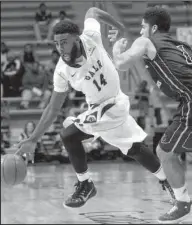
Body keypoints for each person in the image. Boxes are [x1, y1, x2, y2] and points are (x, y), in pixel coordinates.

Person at [15, 7, 175, 210]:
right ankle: (166, 181)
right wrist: (33, 139)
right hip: (99, 110)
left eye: (64, 41)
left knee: (69, 135)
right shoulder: (62, 72)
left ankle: (85, 184)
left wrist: (119, 27)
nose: (60, 47)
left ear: (76, 38)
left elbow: (92, 11)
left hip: (114, 102)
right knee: (135, 149)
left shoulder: (90, 36)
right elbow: (53, 107)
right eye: (56, 43)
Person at [109, 6, 192, 224]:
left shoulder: (147, 42)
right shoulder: (182, 46)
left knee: (164, 152)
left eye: (142, 27)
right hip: (188, 100)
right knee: (168, 151)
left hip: (191, 100)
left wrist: (116, 48)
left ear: (153, 28)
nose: (140, 31)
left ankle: (182, 203)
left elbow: (121, 63)